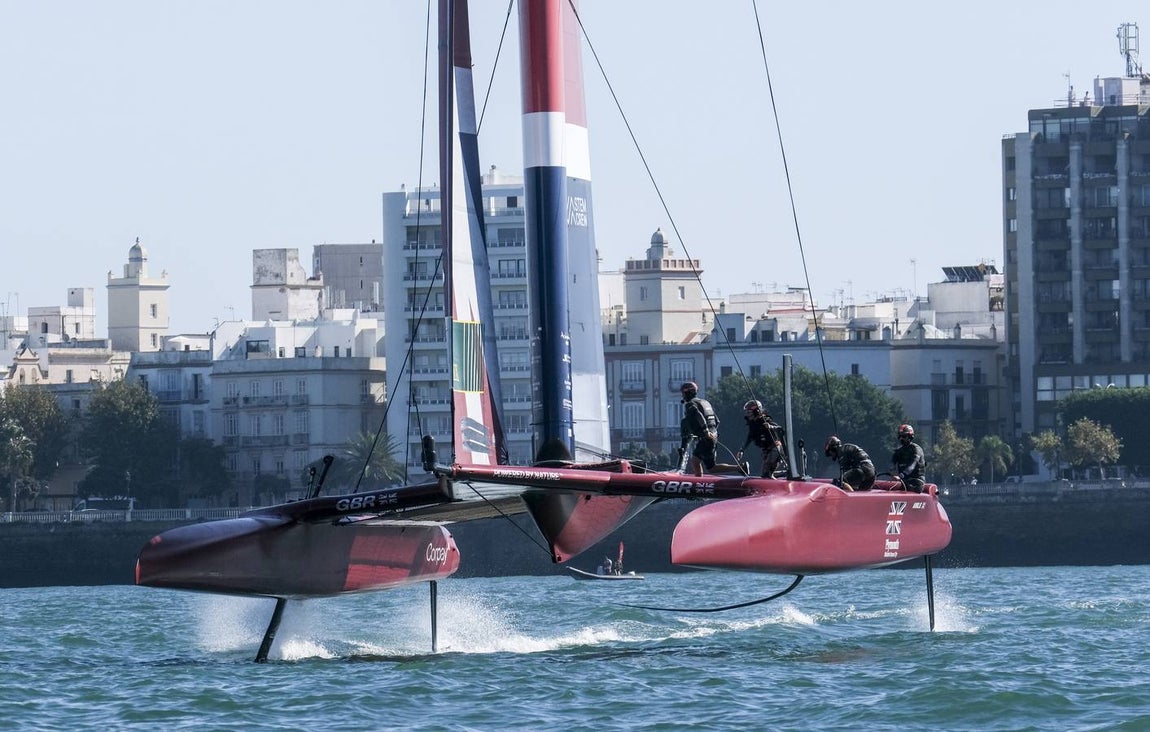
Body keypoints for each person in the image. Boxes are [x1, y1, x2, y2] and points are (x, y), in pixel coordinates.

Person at [678, 381, 719, 476]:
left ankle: (698, 482)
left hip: (707, 437)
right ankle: (740, 467)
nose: (683, 396)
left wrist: (705, 431)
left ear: (688, 393)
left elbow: (698, 415)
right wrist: (713, 433)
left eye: (683, 394)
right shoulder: (705, 402)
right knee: (710, 467)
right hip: (713, 435)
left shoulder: (690, 404)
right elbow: (717, 420)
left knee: (696, 462)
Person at [735, 399, 784, 478]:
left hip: (775, 450)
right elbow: (749, 437)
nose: (747, 415)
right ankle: (784, 474)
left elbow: (780, 428)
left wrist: (770, 427)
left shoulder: (765, 420)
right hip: (766, 451)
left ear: (756, 411)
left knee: (766, 475)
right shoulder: (753, 424)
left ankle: (782, 480)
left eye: (749, 412)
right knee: (765, 475)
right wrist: (742, 450)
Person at [890, 423, 926, 493]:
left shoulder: (916, 449)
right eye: (899, 436)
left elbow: (912, 466)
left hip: (916, 482)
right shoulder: (899, 451)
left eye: (903, 436)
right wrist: (891, 472)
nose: (901, 438)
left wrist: (901, 475)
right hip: (904, 482)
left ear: (910, 436)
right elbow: (892, 464)